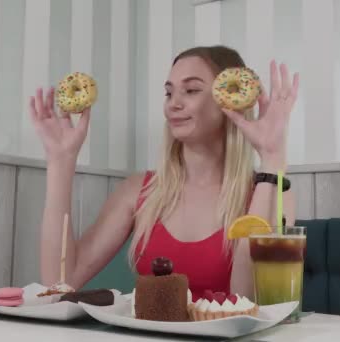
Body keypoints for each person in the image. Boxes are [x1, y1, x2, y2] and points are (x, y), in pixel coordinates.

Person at [29, 45, 299, 301]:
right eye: (169, 93)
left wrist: (272, 159)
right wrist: (61, 162)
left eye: (191, 90)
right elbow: (59, 281)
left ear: (231, 101)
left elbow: (247, 299)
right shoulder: (141, 190)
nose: (173, 104)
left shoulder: (273, 192)